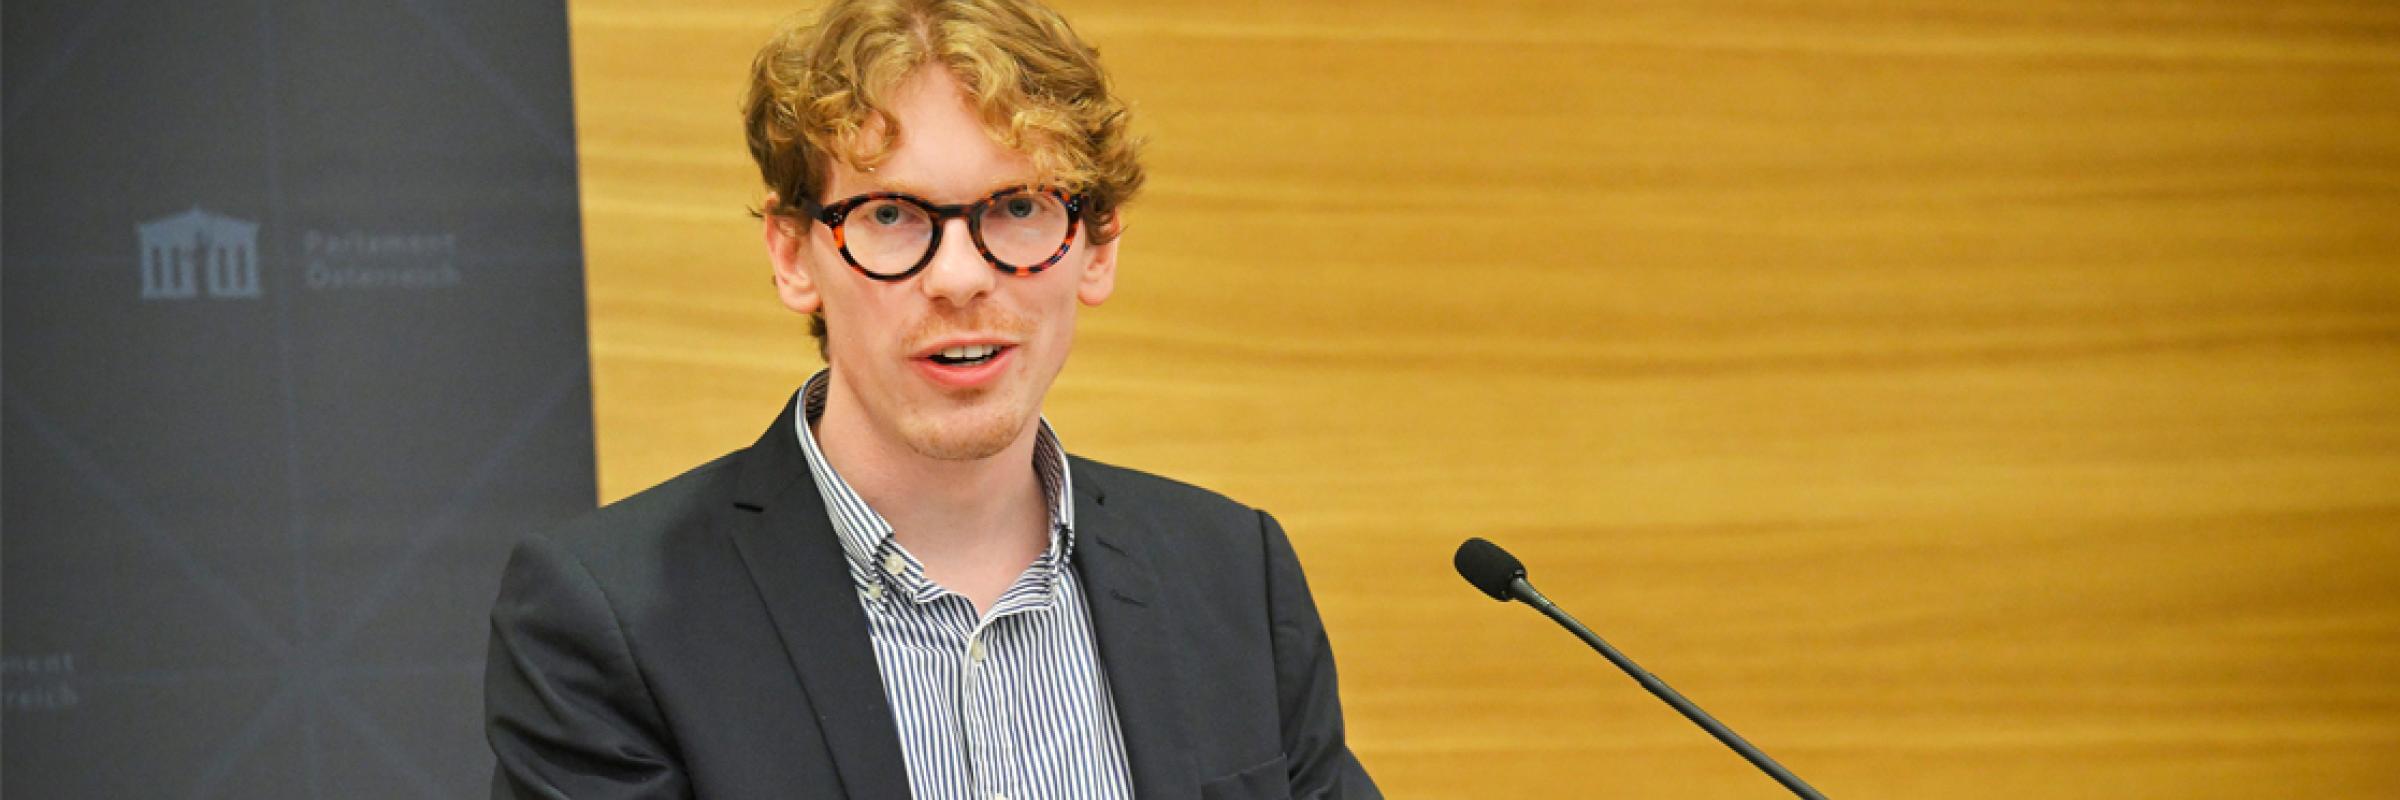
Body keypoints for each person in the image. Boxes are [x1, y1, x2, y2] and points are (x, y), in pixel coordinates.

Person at [482, 1, 1381, 797]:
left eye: (1019, 207)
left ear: (1097, 247)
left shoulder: (1232, 574)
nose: (959, 276)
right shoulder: (613, 618)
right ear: (794, 255)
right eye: (889, 215)